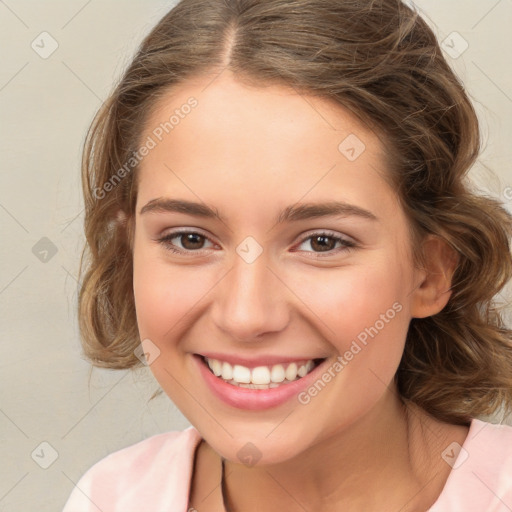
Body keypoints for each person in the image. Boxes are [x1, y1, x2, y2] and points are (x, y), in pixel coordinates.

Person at [62, 0, 512, 510]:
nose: (246, 315)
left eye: (322, 242)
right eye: (190, 239)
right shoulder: (109, 497)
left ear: (429, 271)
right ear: (129, 253)